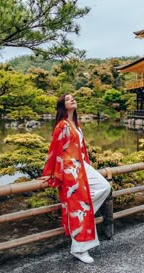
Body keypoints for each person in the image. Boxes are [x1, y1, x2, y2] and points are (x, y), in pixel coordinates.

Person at [39, 93, 111, 264]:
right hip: (70, 170)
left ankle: (78, 218)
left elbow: (82, 149)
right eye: (68, 99)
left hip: (82, 166)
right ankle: (79, 249)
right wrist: (53, 173)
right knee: (80, 206)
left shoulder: (76, 125)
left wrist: (87, 165)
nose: (72, 99)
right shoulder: (61, 125)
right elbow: (54, 150)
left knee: (104, 187)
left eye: (73, 98)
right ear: (63, 105)